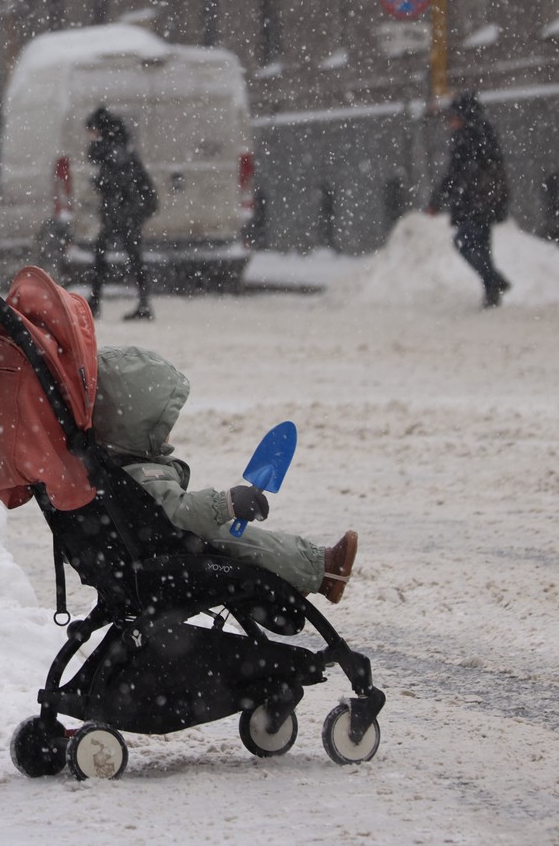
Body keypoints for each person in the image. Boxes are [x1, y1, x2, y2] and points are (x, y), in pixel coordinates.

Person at [93, 345, 359, 603]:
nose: (168, 432)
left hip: (144, 557)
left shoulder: (112, 467)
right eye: (162, 426)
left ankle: (292, 574)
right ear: (136, 429)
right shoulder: (139, 474)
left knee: (230, 537)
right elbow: (178, 512)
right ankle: (320, 569)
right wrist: (226, 503)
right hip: (166, 563)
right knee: (234, 538)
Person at [427, 91, 512, 307]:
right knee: (481, 247)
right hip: (486, 202)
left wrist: (437, 200)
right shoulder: (483, 135)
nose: (450, 122)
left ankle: (493, 280)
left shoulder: (468, 139)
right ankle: (491, 292)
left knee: (464, 242)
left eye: (453, 117)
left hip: (475, 203)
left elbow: (455, 174)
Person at [84, 107, 158, 321]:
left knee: (114, 256)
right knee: (130, 257)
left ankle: (98, 302)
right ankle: (138, 303)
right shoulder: (117, 147)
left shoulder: (114, 151)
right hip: (124, 212)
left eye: (91, 131)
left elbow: (120, 182)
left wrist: (101, 184)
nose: (89, 137)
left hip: (123, 212)